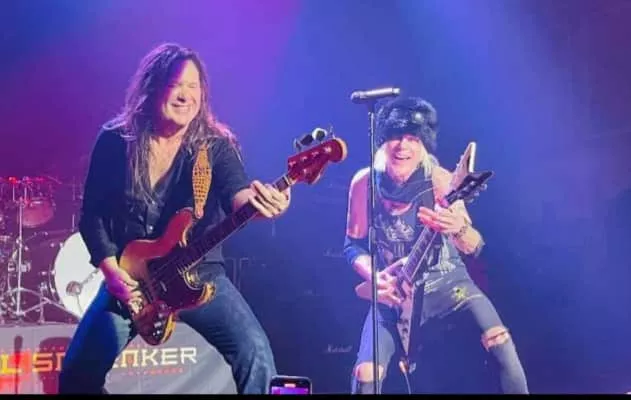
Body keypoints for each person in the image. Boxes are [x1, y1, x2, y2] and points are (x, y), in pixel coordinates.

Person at [58, 42, 290, 394]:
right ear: (152, 88)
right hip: (134, 280)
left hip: (199, 275)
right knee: (76, 377)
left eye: (193, 86)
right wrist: (113, 274)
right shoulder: (116, 141)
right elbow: (93, 217)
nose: (185, 96)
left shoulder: (215, 147)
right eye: (175, 85)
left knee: (255, 353)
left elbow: (239, 196)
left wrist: (270, 202)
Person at [343, 96, 528, 394]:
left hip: (448, 284)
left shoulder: (441, 180)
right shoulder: (364, 182)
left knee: (500, 341)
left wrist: (458, 227)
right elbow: (353, 245)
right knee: (366, 371)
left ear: (423, 144)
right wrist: (375, 276)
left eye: (412, 138)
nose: (402, 146)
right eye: (395, 137)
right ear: (382, 141)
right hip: (394, 292)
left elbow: (474, 246)